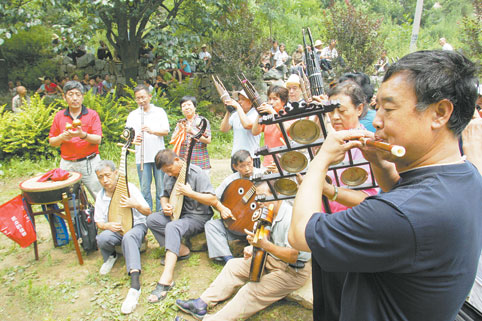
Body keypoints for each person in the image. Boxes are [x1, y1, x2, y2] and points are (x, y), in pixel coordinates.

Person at [289, 50, 482, 321]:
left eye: (389, 109)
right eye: (376, 107)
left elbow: (299, 233)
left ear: (440, 113)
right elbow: (406, 206)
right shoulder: (467, 175)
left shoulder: (401, 214)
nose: (377, 120)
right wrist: (381, 165)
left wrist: (320, 161)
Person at [175, 181, 311, 321]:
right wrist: (253, 247)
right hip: (272, 258)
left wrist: (264, 245)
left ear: (277, 195)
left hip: (293, 271)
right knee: (234, 266)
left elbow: (293, 256)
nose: (259, 202)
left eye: (263, 197)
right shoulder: (267, 210)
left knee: (250, 291)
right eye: (257, 198)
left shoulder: (290, 218)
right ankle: (201, 303)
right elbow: (266, 240)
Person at [146, 149, 217, 303]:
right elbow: (164, 195)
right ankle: (181, 250)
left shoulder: (197, 173)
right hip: (178, 214)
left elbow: (212, 199)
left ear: (177, 160)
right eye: (166, 172)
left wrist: (190, 193)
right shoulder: (168, 174)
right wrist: (165, 205)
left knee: (173, 227)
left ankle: (167, 279)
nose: (169, 174)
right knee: (152, 219)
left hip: (197, 217)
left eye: (170, 170)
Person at [93, 160, 151, 314]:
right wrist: (108, 226)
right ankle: (111, 256)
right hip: (116, 229)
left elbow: (148, 211)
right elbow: (98, 221)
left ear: (115, 173)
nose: (105, 180)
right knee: (102, 238)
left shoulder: (129, 188)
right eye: (100, 177)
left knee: (129, 238)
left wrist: (135, 205)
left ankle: (135, 284)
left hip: (136, 226)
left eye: (107, 175)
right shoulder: (101, 195)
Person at [205, 150, 265, 264]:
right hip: (234, 226)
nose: (247, 168)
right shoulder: (230, 180)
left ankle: (260, 256)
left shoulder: (264, 174)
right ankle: (227, 259)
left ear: (252, 161)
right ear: (235, 166)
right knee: (211, 225)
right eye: (242, 166)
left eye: (249, 164)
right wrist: (222, 209)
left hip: (257, 226)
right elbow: (214, 199)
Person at [49, 81, 102, 198]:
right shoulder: (59, 116)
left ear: (82, 97)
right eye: (71, 94)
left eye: (78, 94)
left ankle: (102, 216)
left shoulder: (92, 114)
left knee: (99, 194)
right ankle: (76, 217)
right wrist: (62, 137)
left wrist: (82, 135)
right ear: (64, 97)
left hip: (90, 162)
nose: (74, 98)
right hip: (68, 164)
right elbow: (52, 141)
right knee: (69, 198)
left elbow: (98, 139)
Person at [126, 84, 169, 212]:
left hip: (158, 156)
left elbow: (166, 131)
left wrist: (152, 131)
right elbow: (128, 135)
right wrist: (134, 140)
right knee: (145, 187)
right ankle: (147, 213)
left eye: (143, 97)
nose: (141, 101)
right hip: (141, 156)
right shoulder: (133, 115)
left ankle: (161, 212)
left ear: (149, 96)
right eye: (138, 98)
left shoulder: (159, 112)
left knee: (161, 187)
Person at [220, 90, 261, 169]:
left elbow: (247, 125)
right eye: (239, 99)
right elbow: (223, 129)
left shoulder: (256, 114)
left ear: (251, 102)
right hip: (236, 156)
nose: (239, 102)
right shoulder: (236, 114)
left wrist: (238, 107)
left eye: (243, 99)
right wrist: (228, 111)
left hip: (252, 157)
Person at [170, 96, 212, 172]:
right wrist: (179, 130)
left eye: (189, 105)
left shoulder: (202, 121)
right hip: (183, 162)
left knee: (201, 183)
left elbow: (208, 140)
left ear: (195, 107)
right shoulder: (181, 122)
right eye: (183, 106)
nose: (186, 108)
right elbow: (173, 140)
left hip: (200, 162)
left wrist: (192, 131)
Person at [251, 85, 290, 168]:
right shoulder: (268, 117)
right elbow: (255, 131)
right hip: (268, 163)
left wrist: (273, 112)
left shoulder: (288, 115)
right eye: (270, 99)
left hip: (285, 162)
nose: (271, 102)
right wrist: (259, 114)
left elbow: (285, 129)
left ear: (283, 101)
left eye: (275, 99)